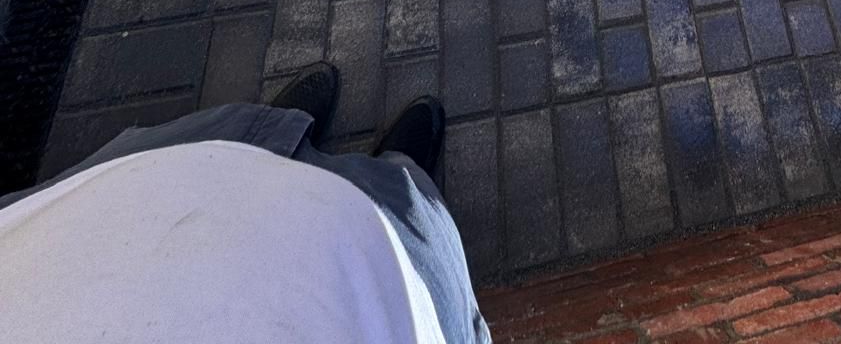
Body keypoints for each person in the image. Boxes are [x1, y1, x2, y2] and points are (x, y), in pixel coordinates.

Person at [0, 65, 491, 343]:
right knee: (406, 211)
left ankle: (276, 131)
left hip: (87, 231)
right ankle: (397, 172)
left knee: (219, 146)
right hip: (378, 304)